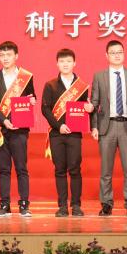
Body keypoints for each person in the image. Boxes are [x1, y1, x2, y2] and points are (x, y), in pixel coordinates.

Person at [91, 40, 127, 216]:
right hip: (107, 127)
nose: (117, 55)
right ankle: (106, 203)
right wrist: (94, 126)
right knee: (106, 170)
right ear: (106, 56)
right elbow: (94, 103)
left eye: (120, 52)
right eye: (113, 52)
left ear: (124, 53)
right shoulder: (99, 76)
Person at [0, 41, 36, 217]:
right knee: (4, 169)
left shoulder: (26, 77)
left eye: (9, 55)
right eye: (2, 55)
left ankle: (24, 204)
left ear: (16, 56)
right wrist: (3, 121)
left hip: (20, 130)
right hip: (0, 129)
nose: (5, 58)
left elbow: (31, 97)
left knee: (21, 168)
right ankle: (5, 204)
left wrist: (32, 100)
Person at [41, 49, 93, 217]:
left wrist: (89, 108)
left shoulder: (81, 86)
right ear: (57, 64)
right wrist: (58, 126)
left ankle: (76, 205)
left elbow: (85, 107)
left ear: (74, 63)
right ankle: (62, 206)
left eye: (69, 61)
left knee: (75, 169)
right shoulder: (50, 85)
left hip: (75, 134)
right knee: (60, 169)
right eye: (62, 61)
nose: (65, 64)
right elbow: (45, 109)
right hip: (57, 134)